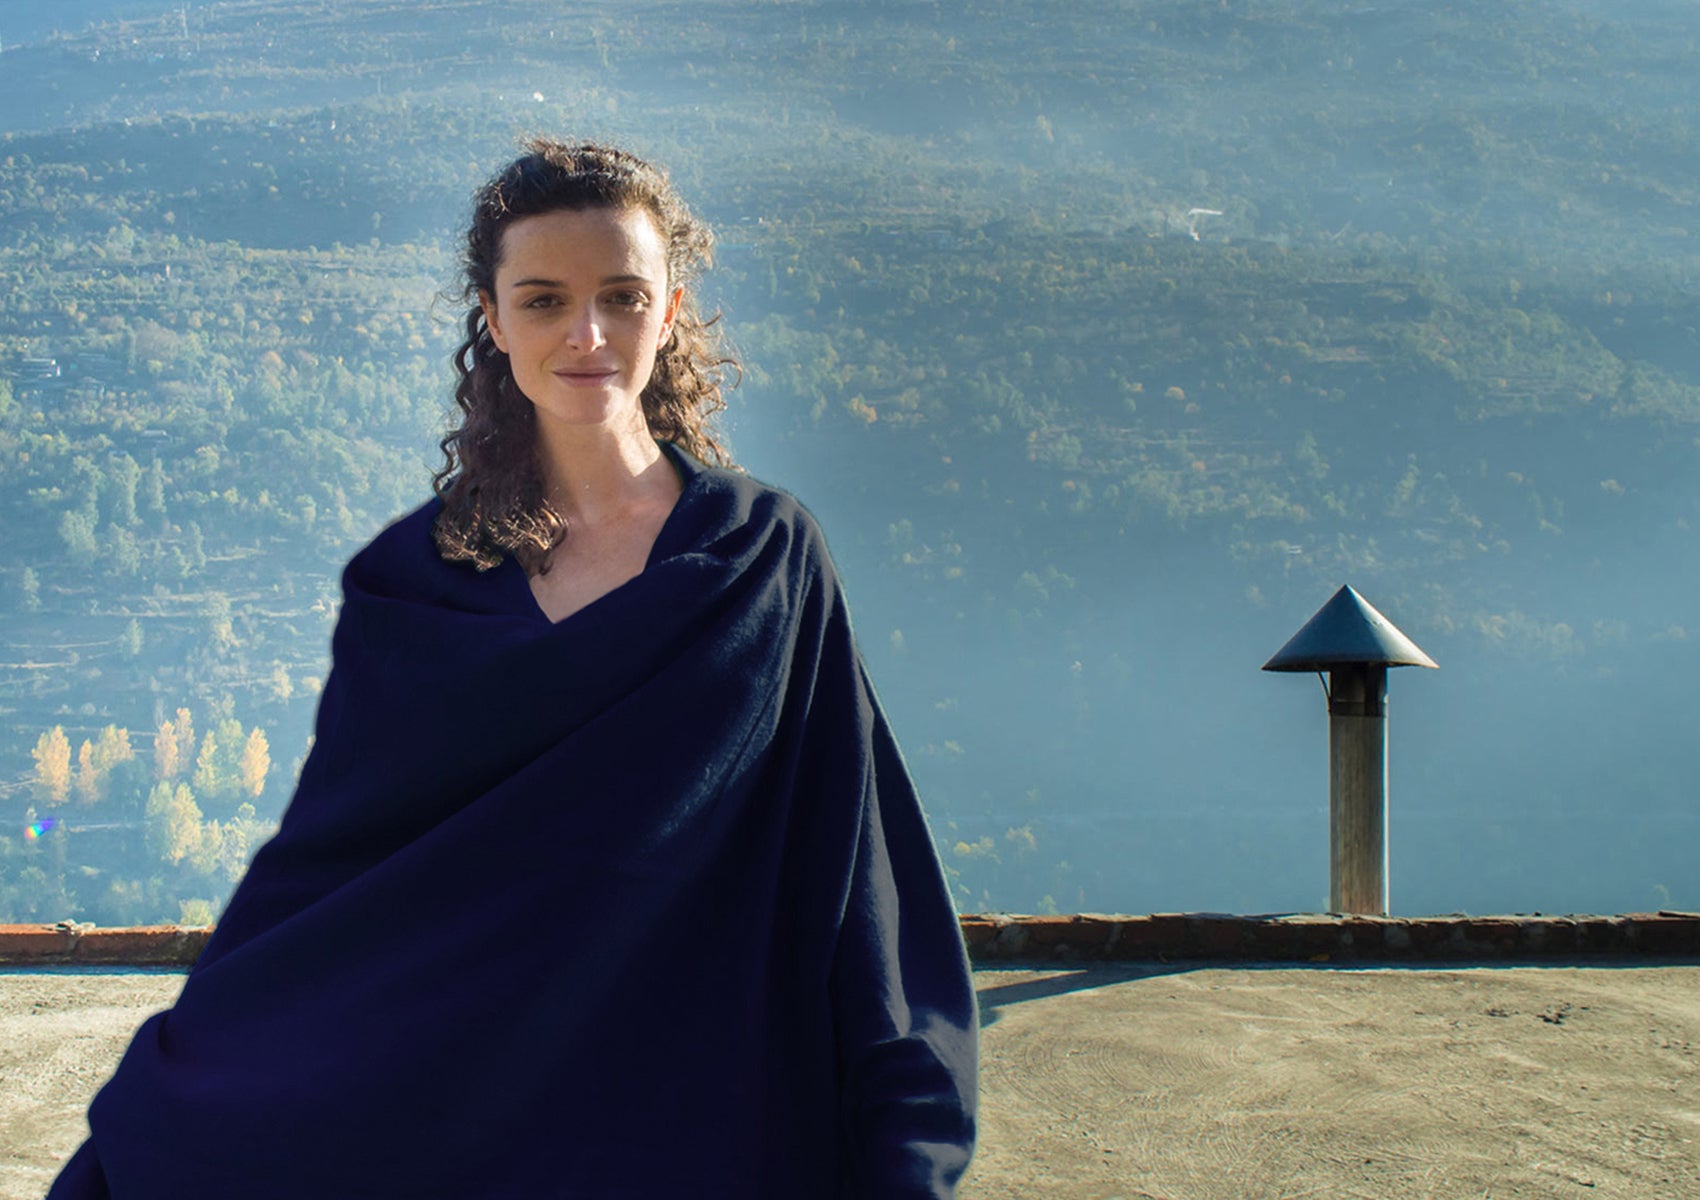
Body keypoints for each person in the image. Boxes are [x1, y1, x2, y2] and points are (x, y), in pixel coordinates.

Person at [46, 139, 978, 1198]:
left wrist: (903, 1137)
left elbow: (850, 858)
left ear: (668, 311)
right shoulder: (414, 588)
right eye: (543, 301)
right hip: (459, 1090)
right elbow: (332, 873)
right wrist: (195, 1076)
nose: (587, 335)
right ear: (493, 322)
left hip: (693, 1105)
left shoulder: (762, 560)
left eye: (621, 296)